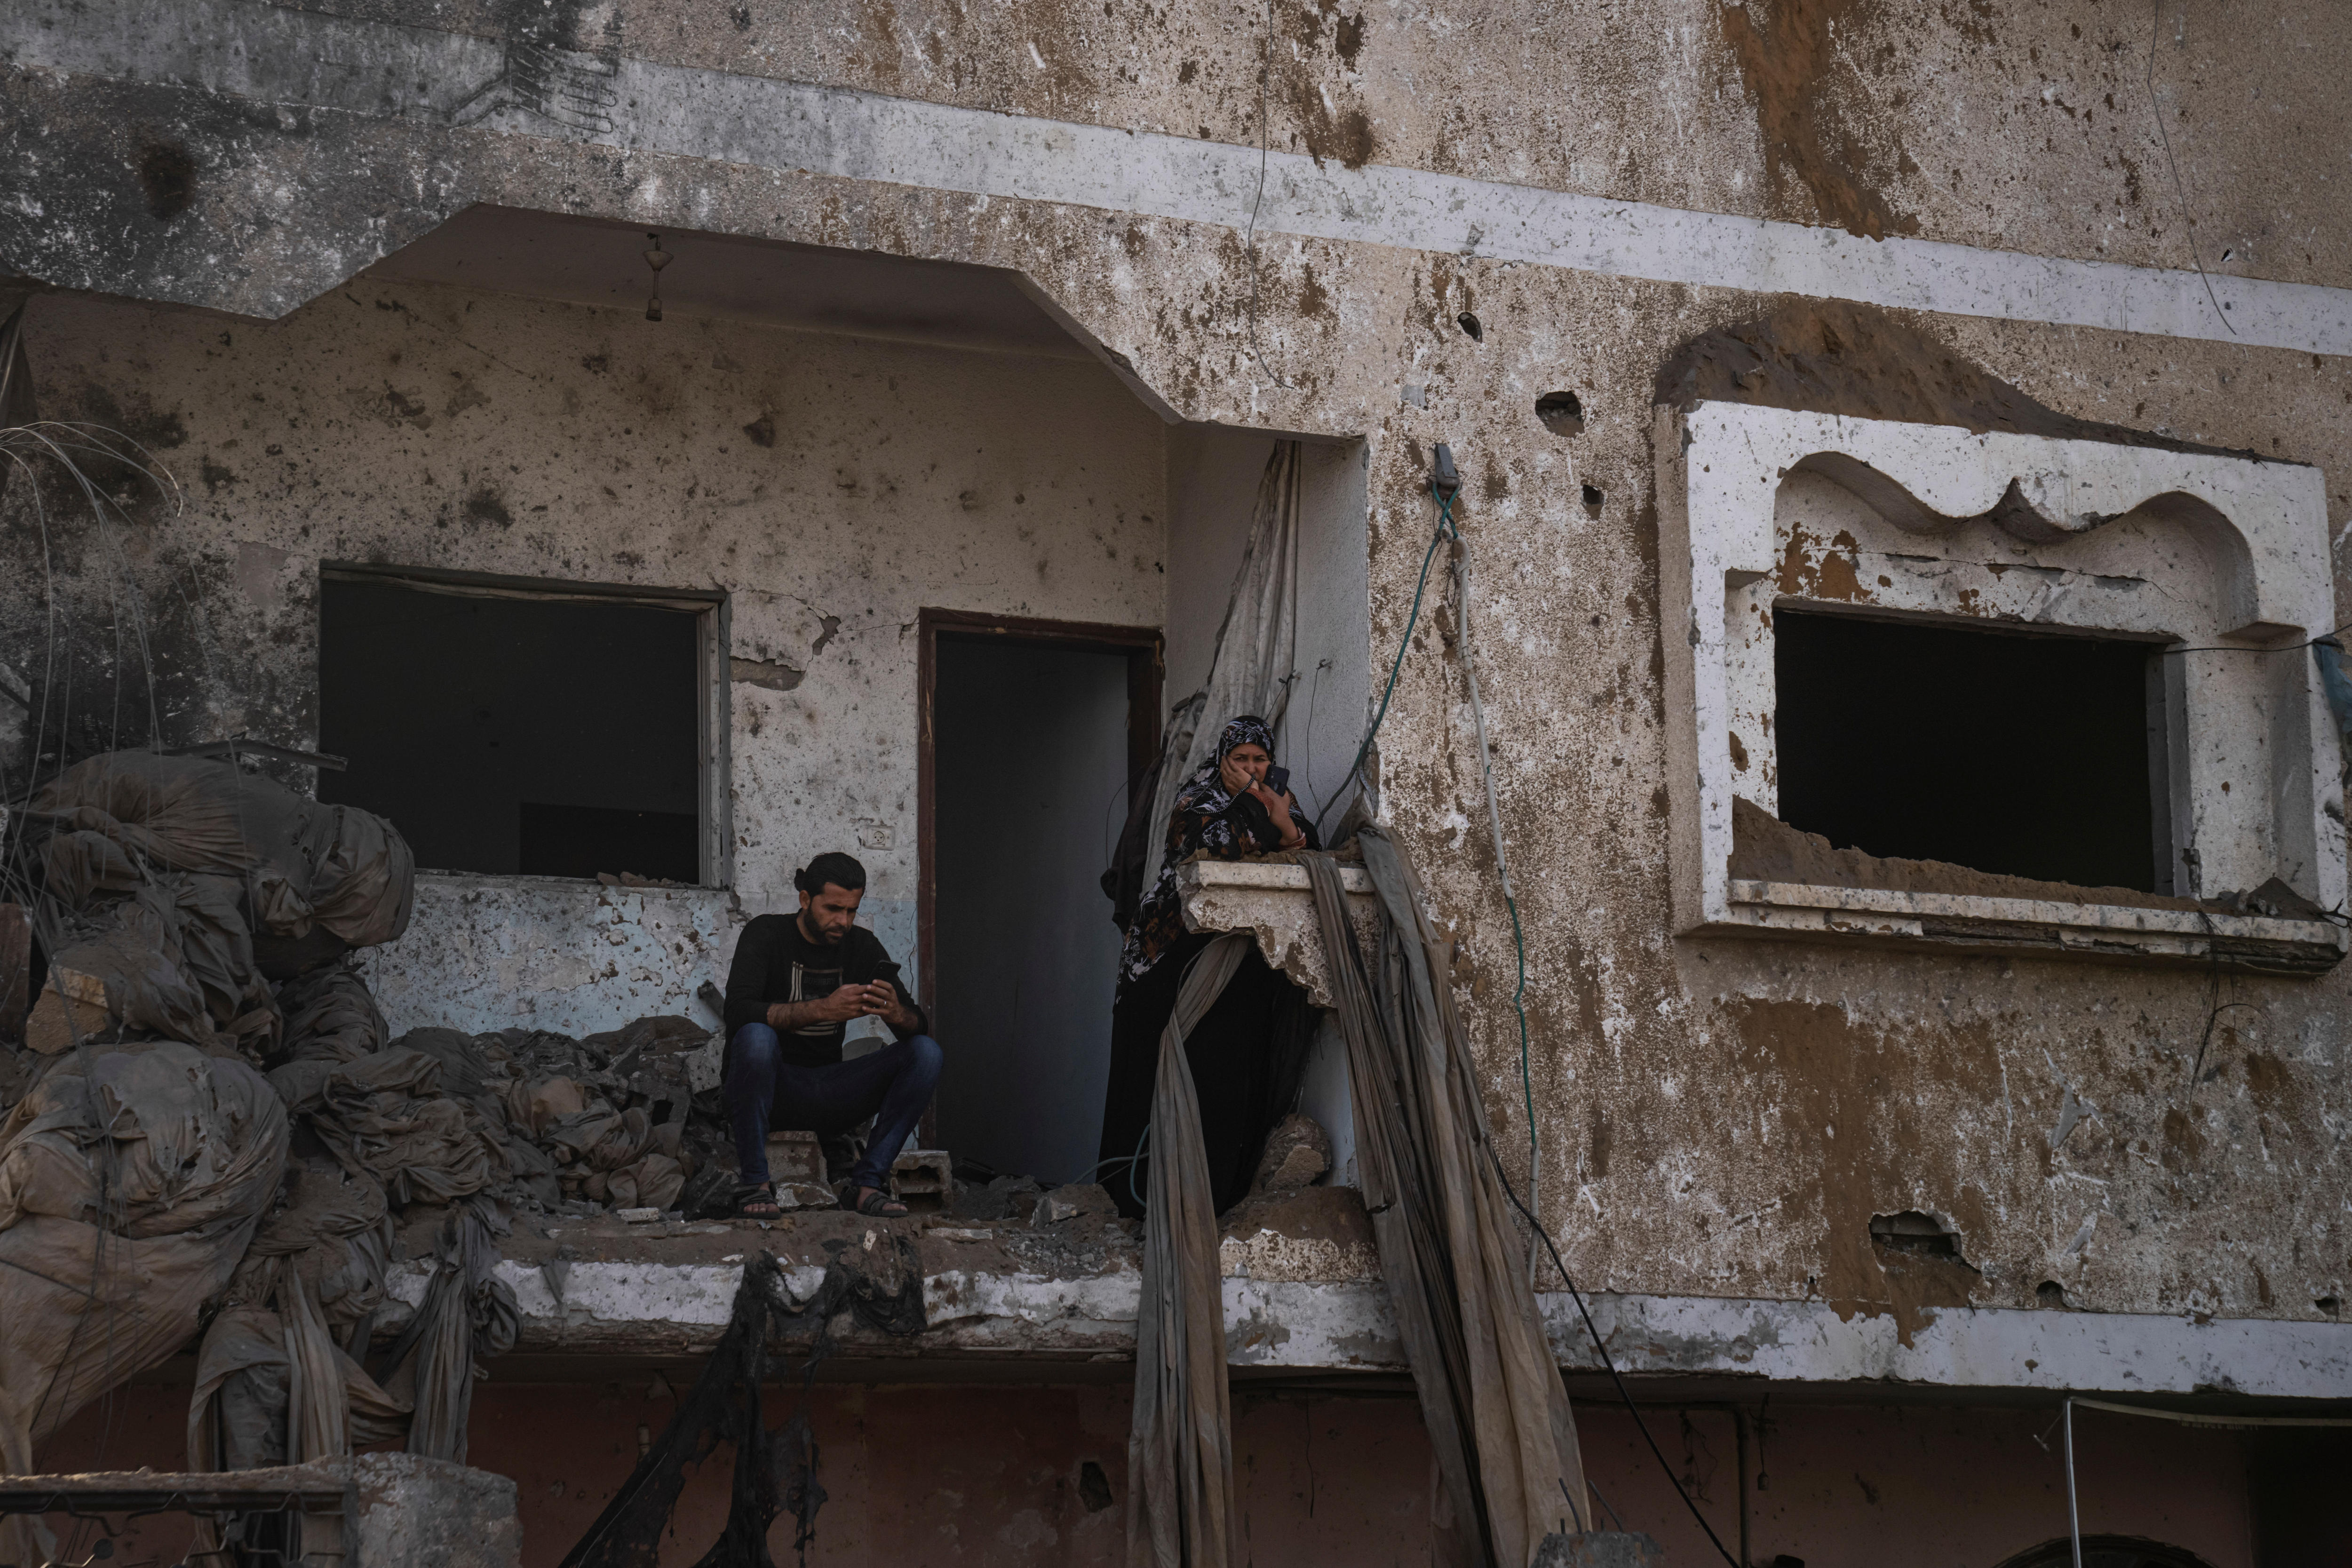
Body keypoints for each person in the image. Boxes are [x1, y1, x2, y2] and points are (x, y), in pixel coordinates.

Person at [1096, 715, 1320, 1218]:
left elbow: (1311, 845)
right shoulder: (1196, 798)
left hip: (1231, 963)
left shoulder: (1278, 798)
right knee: (1151, 1075)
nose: (1251, 769)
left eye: (1259, 760)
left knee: (1221, 1078)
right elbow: (1209, 846)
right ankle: (1130, 1206)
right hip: (1164, 963)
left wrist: (1283, 821)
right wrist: (1251, 803)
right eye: (1239, 759)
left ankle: (1210, 1206)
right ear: (1221, 761)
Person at [721, 851, 941, 1218]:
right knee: (757, 1037)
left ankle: (867, 1185)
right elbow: (738, 1013)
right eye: (833, 908)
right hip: (769, 1088)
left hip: (830, 1089)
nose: (843, 921)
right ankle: (755, 1184)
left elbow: (918, 1024)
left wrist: (895, 1012)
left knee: (926, 1053)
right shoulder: (767, 934)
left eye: (852, 910)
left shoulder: (862, 946)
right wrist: (824, 1008)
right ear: (805, 899)